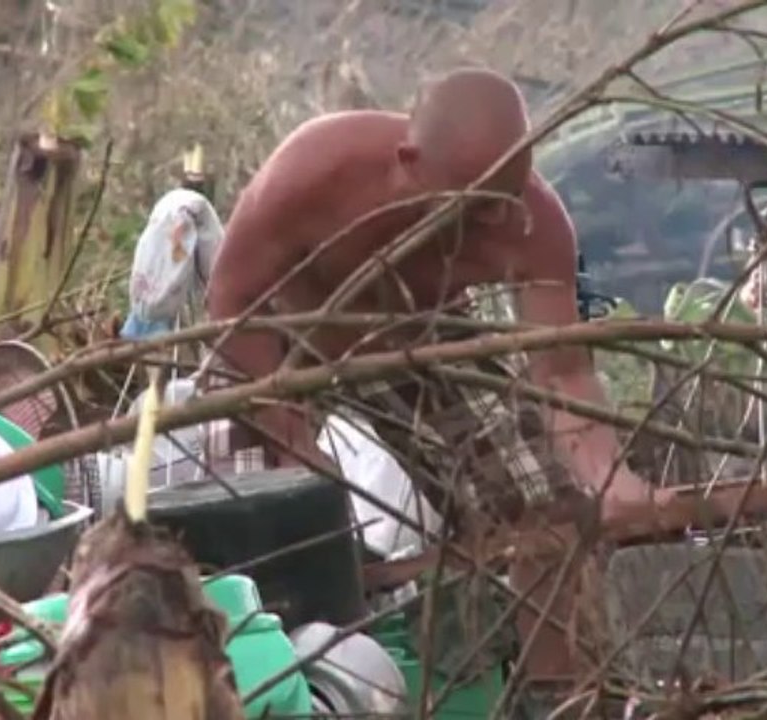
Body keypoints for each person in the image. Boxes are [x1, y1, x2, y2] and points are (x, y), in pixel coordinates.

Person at [205, 67, 671, 686]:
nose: (477, 228)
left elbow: (560, 371)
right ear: (407, 160)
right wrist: (291, 441)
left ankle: (555, 694)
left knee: (545, 511)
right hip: (287, 329)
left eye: (494, 208)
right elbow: (232, 302)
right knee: (258, 526)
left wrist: (609, 474)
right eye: (461, 207)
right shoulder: (317, 170)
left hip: (420, 333)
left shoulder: (534, 224)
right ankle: (270, 684)